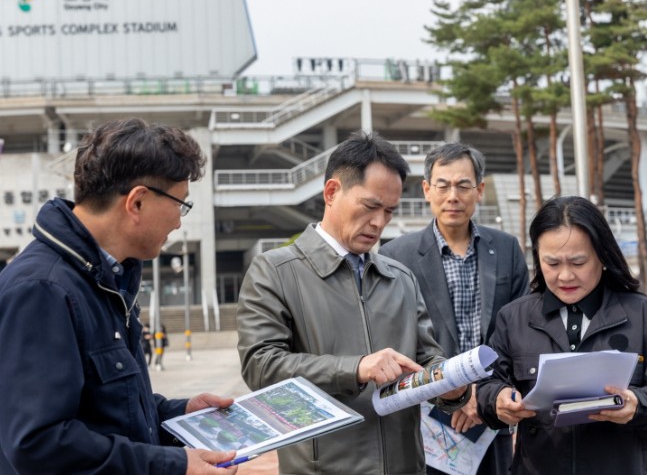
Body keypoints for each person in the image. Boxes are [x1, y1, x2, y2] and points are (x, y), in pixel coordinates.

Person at [0, 118, 239, 473]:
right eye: (181, 204)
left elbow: (105, 411)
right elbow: (39, 443)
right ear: (137, 202)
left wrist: (180, 413)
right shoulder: (43, 289)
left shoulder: (104, 279)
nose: (179, 222)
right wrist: (172, 466)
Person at [236, 132, 469, 474]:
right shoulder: (275, 271)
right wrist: (355, 369)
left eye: (389, 211)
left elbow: (425, 358)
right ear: (332, 192)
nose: (379, 223)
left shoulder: (400, 278)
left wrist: (449, 384)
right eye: (370, 206)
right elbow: (261, 368)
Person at [477, 195, 647, 475]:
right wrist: (497, 399)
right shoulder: (514, 318)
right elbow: (487, 384)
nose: (565, 276)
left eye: (578, 262)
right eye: (552, 263)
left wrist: (637, 405)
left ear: (603, 256)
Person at [380, 142, 529, 475]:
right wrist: (455, 394)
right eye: (443, 185)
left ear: (479, 190)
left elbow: (520, 331)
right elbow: (396, 339)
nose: (453, 196)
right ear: (426, 190)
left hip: (491, 413)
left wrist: (482, 396)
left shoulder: (506, 249)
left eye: (463, 185)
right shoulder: (396, 256)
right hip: (427, 420)